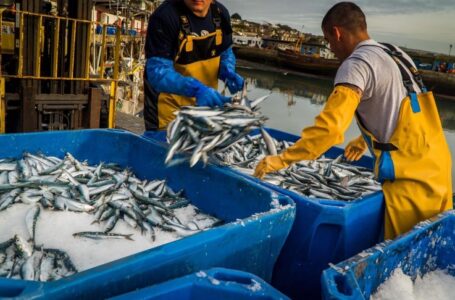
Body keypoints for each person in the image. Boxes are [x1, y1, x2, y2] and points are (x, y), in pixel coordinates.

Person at [254, 2, 453, 240]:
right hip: (438, 169)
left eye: (328, 41)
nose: (332, 49)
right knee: (428, 255)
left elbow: (329, 130)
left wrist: (280, 159)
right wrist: (362, 140)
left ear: (337, 33)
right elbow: (406, 109)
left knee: (403, 261)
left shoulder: (355, 64)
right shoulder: (396, 54)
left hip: (410, 184)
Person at [143, 0, 244, 130]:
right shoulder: (165, 16)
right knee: (168, 149)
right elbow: (157, 71)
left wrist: (227, 70)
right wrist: (196, 89)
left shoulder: (220, 14)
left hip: (205, 109)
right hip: (169, 113)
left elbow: (226, 52)